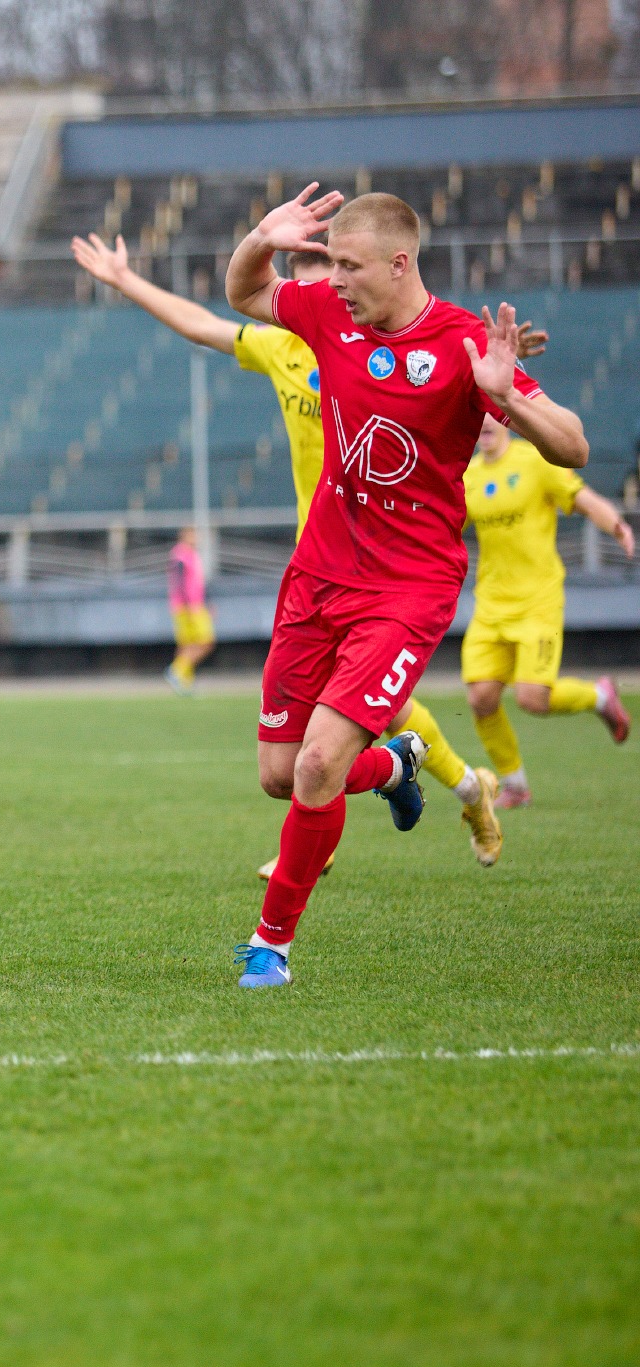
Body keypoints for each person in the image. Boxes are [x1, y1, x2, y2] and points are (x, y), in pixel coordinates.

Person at [222, 187, 587, 988]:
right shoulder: (328, 314)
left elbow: (575, 445)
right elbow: (244, 292)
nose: (335, 279)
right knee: (279, 775)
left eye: (348, 266)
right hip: (318, 573)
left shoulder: (463, 343)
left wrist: (504, 401)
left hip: (406, 588)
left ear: (400, 261)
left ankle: (269, 946)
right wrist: (261, 236)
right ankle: (395, 766)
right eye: (330, 264)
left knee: (316, 770)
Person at [72, 233, 514, 868]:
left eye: (336, 276)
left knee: (363, 723)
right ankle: (432, 786)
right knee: (332, 735)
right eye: (312, 278)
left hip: (390, 568)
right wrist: (126, 281)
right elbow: (201, 324)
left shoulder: (390, 347)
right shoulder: (282, 346)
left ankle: (462, 791)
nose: (328, 291)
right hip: (323, 561)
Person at [462, 412, 635, 804]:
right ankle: (516, 785)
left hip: (538, 600)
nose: (485, 423)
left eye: (491, 414)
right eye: (478, 416)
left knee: (531, 699)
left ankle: (599, 696)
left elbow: (584, 499)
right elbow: (442, 528)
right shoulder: (468, 477)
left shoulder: (534, 461)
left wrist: (619, 527)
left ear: (505, 419)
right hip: (491, 603)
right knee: (481, 698)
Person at [165, 526, 214, 694]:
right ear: (185, 535)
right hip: (189, 607)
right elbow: (180, 582)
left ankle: (185, 681)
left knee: (187, 644)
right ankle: (176, 671)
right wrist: (189, 605)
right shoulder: (180, 555)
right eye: (194, 534)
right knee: (205, 642)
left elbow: (197, 582)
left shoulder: (189, 554)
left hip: (190, 605)